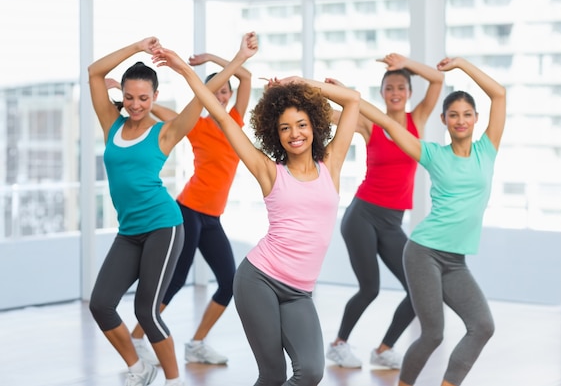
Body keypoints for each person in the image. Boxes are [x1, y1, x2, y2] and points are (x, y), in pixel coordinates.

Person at [151, 39, 361, 385]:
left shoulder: (332, 165)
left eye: (301, 124)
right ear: (275, 135)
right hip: (259, 279)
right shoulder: (268, 171)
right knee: (273, 373)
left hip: (300, 291)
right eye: (285, 128)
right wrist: (183, 69)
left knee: (310, 372)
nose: (295, 134)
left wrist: (298, 83)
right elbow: (219, 114)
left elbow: (353, 100)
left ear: (314, 126)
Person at [356, 56, 506, 386]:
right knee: (433, 333)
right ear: (444, 120)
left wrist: (463, 65)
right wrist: (356, 101)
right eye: (454, 115)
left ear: (476, 119)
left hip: (455, 261)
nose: (461, 120)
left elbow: (499, 94)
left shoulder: (487, 150)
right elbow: (393, 127)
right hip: (424, 252)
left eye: (467, 114)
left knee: (482, 326)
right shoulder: (435, 154)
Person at [122, 45, 254, 366]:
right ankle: (137, 339)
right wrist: (131, 97)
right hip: (189, 211)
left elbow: (246, 75)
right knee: (177, 279)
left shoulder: (235, 120)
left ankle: (196, 343)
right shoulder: (196, 124)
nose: (221, 97)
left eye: (226, 91)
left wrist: (211, 60)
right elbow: (156, 112)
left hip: (213, 217)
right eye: (215, 92)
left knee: (229, 282)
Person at [87, 37, 207, 386]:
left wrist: (183, 67)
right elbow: (95, 73)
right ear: (121, 96)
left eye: (143, 98)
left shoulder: (165, 132)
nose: (136, 105)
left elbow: (202, 97)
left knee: (146, 311)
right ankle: (140, 368)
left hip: (163, 226)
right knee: (101, 304)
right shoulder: (112, 124)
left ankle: (174, 381)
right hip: (129, 232)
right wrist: (138, 47)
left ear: (155, 98)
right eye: (129, 97)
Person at [325, 53, 444, 369]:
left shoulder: (416, 120)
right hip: (362, 216)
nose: (395, 92)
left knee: (418, 290)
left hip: (392, 221)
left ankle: (383, 349)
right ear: (382, 92)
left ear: (408, 92)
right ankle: (338, 345)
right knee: (369, 288)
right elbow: (333, 114)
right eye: (389, 87)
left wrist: (406, 62)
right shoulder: (369, 122)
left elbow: (438, 80)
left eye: (401, 87)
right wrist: (318, 90)